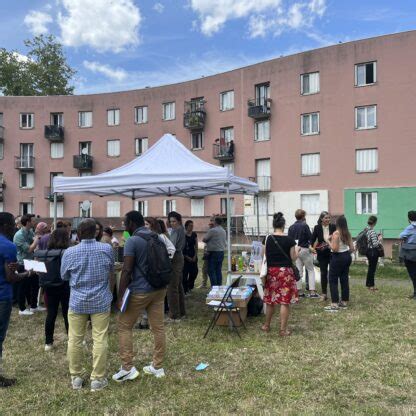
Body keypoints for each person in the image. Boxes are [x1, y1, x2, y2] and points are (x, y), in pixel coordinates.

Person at [113, 211, 167, 382]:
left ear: (131, 223)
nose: (124, 226)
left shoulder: (132, 241)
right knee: (158, 328)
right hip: (159, 288)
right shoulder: (157, 237)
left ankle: (127, 367)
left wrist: (120, 295)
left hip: (140, 291)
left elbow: (127, 270)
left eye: (125, 223)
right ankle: (157, 367)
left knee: (124, 326)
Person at [61, 218, 114, 391]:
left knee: (75, 339)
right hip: (100, 300)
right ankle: (97, 379)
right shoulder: (106, 248)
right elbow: (110, 271)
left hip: (77, 301)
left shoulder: (69, 252)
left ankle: (76, 377)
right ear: (96, 232)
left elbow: (64, 276)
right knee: (100, 338)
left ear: (79, 233)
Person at [0, 212, 31, 388]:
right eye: (13, 224)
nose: (15, 227)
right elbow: (11, 277)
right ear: (5, 226)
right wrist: (28, 273)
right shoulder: (8, 246)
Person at [261, 213, 299, 336]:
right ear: (284, 225)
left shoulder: (267, 238)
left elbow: (263, 255)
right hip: (285, 273)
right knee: (284, 301)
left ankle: (266, 325)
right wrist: (297, 251)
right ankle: (283, 330)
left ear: (274, 225)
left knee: (270, 300)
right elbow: (293, 258)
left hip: (271, 272)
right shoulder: (289, 240)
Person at [35, 228, 70, 352]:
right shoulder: (67, 252)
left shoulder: (43, 253)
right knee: (67, 314)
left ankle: (48, 342)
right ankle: (72, 340)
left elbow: (38, 270)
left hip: (48, 286)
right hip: (65, 285)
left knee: (51, 314)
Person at [13, 214, 43, 315]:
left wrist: (35, 239)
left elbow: (33, 245)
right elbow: (29, 249)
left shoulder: (30, 231)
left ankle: (34, 306)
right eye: (33, 220)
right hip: (22, 263)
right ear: (28, 222)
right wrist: (36, 239)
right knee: (23, 286)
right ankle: (22, 309)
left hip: (31, 261)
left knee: (36, 284)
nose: (35, 222)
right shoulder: (19, 235)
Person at [324, 215, 354, 312]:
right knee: (344, 279)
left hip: (337, 258)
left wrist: (328, 241)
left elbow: (335, 249)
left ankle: (334, 303)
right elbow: (352, 248)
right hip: (346, 256)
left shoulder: (336, 234)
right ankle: (344, 301)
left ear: (337, 223)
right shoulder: (347, 233)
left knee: (332, 279)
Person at [288, 209, 319, 298]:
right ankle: (312, 292)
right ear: (303, 216)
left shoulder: (291, 227)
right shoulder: (305, 225)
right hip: (305, 249)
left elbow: (289, 240)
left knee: (298, 271)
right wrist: (311, 247)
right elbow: (310, 237)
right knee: (310, 270)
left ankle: (299, 292)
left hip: (296, 250)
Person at [166, 211, 186, 322]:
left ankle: (174, 314)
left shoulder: (176, 230)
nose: (172, 223)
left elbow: (171, 247)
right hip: (179, 257)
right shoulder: (180, 229)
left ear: (178, 221)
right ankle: (181, 311)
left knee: (172, 287)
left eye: (174, 221)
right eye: (170, 221)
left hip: (175, 258)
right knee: (178, 286)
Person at [311, 211, 336, 300]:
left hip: (332, 253)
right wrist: (312, 248)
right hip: (322, 254)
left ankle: (334, 293)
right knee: (323, 273)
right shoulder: (317, 228)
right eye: (326, 218)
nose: (328, 219)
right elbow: (312, 239)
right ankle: (324, 293)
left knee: (333, 273)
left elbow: (337, 239)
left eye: (329, 218)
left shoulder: (333, 227)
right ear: (321, 219)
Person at [203, 217, 226, 286]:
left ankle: (214, 287)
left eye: (212, 221)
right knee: (218, 270)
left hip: (213, 252)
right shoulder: (223, 230)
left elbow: (204, 239)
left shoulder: (212, 230)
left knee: (211, 271)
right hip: (221, 252)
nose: (211, 222)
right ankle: (219, 286)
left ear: (215, 222)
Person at [399, 210, 416, 299]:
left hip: (411, 253)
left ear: (409, 218)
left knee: (413, 273)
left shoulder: (410, 227)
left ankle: (415, 293)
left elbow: (401, 236)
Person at [365, 216, 383, 291]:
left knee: (370, 268)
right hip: (373, 251)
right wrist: (379, 239)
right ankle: (371, 286)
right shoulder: (372, 231)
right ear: (375, 222)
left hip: (368, 251)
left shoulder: (366, 230)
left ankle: (369, 285)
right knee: (372, 269)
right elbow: (375, 244)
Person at [183, 220, 198, 294]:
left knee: (194, 272)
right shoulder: (183, 235)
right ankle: (185, 289)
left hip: (193, 255)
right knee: (185, 274)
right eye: (190, 226)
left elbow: (196, 245)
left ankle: (190, 286)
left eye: (192, 226)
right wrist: (186, 257)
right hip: (185, 256)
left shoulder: (194, 234)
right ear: (186, 226)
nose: (192, 227)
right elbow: (181, 247)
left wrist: (195, 255)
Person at [198, 219, 214, 289]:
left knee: (210, 270)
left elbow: (204, 239)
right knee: (204, 269)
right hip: (207, 253)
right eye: (209, 224)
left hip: (211, 253)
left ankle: (211, 285)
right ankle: (204, 283)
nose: (210, 226)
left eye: (211, 225)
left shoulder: (213, 232)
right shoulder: (209, 232)